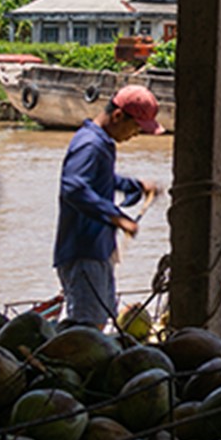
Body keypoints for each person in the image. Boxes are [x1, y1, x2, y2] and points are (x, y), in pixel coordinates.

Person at [54, 85, 160, 328]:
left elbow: (100, 181)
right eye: (136, 127)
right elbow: (74, 187)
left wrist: (135, 185)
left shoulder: (100, 143)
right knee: (87, 325)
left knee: (101, 317)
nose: (135, 135)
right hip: (84, 249)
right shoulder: (90, 144)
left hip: (98, 248)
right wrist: (117, 217)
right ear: (118, 116)